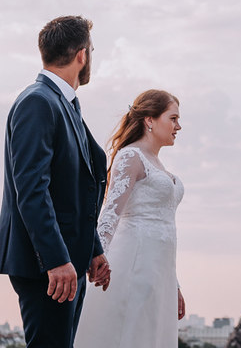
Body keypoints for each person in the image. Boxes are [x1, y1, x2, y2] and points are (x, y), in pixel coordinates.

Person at [0, 16, 112, 348]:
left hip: (68, 261)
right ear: (82, 55)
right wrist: (55, 259)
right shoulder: (38, 102)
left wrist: (93, 249)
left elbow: (73, 190)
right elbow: (31, 191)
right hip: (48, 266)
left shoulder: (62, 103)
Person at [74, 89, 186, 348]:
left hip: (161, 272)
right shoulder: (131, 156)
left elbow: (165, 230)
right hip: (136, 263)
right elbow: (109, 215)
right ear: (150, 120)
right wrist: (95, 258)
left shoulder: (156, 163)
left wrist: (175, 284)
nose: (178, 126)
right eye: (173, 118)